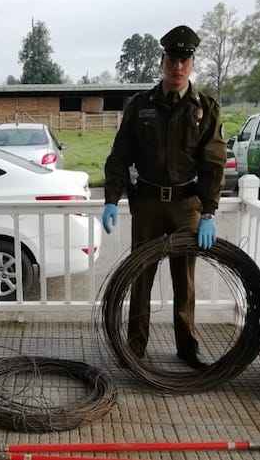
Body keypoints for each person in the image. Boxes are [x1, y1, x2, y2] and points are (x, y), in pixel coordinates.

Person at [101, 25, 226, 369]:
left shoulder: (206, 109)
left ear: (191, 63)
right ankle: (135, 348)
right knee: (141, 276)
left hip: (187, 207)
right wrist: (112, 198)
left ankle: (187, 348)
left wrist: (210, 213)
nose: (178, 66)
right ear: (162, 61)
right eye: (172, 59)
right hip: (148, 204)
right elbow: (119, 156)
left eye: (184, 60)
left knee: (184, 281)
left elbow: (214, 163)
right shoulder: (140, 106)